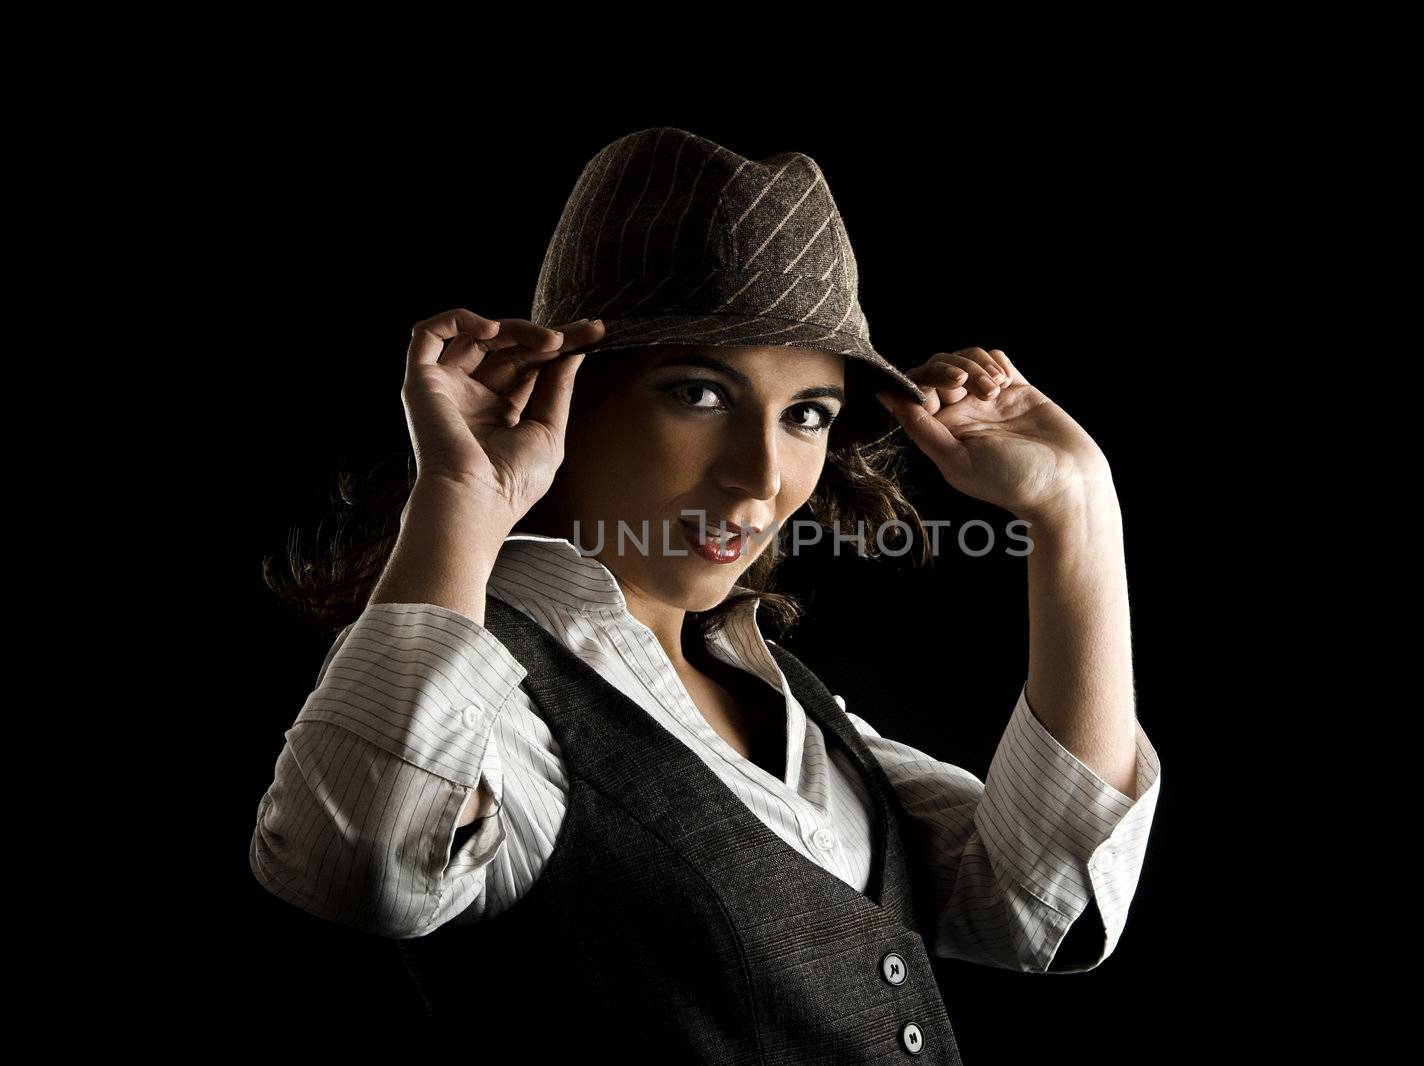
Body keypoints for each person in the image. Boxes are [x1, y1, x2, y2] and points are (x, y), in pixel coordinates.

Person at [248, 128, 1161, 1060]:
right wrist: (461, 498)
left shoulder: (785, 700)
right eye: (700, 395)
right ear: (566, 394)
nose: (761, 477)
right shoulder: (493, 698)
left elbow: (1037, 904)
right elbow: (352, 864)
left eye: (807, 415)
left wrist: (1078, 512)